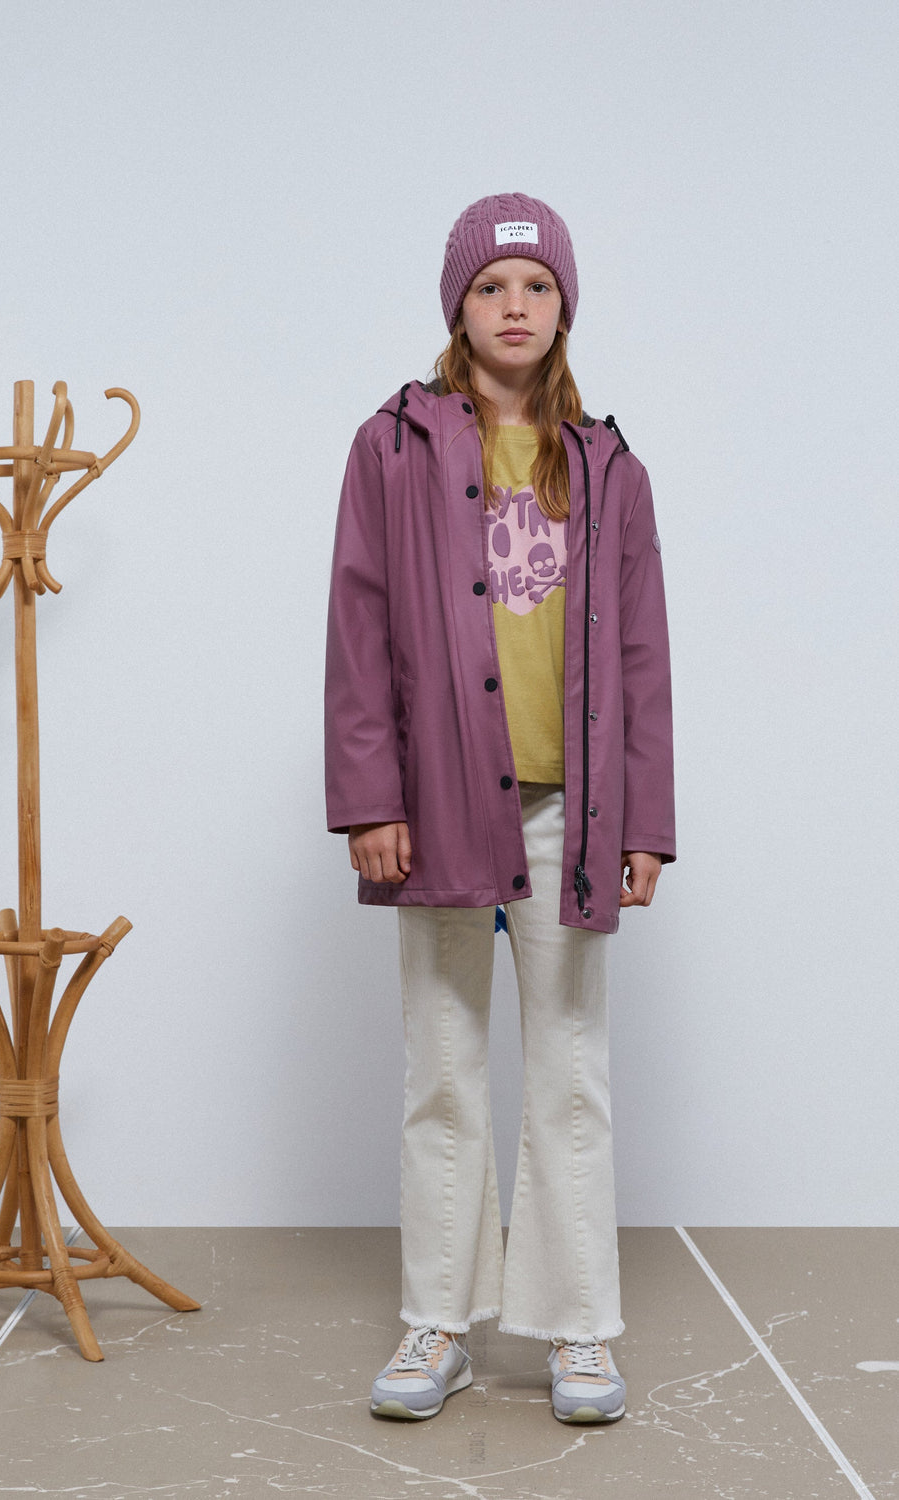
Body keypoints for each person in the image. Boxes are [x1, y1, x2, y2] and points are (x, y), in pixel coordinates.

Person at [324, 193, 674, 1425]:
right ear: (457, 307)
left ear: (563, 306)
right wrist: (370, 796)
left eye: (535, 286)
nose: (514, 307)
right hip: (435, 804)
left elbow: (640, 654)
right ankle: (438, 1321)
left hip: (569, 812)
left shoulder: (608, 466)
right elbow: (358, 627)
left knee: (570, 1070)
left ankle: (578, 1332)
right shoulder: (392, 448)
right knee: (442, 1066)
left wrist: (643, 820)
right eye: (490, 287)